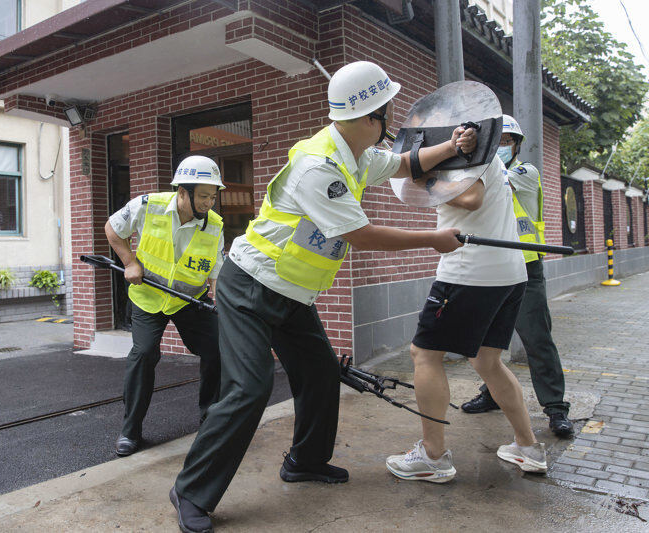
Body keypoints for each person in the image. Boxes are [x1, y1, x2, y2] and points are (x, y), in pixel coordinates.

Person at [170, 61, 471, 533]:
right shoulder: (319, 167)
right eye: (385, 113)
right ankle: (191, 491)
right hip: (249, 286)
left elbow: (407, 164)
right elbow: (361, 234)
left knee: (320, 373)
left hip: (291, 294)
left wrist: (451, 147)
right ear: (372, 117)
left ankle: (304, 462)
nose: (387, 122)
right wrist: (431, 240)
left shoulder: (356, 154)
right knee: (249, 389)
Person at [386, 119, 548, 483]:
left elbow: (471, 199)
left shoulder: (473, 158)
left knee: (424, 354)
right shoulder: (492, 158)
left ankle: (432, 456)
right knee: (487, 360)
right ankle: (527, 446)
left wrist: (427, 182)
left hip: (470, 273)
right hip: (510, 273)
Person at [460, 115, 574, 438]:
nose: (500, 149)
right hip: (493, 267)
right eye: (495, 143)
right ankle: (492, 393)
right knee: (486, 340)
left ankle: (555, 409)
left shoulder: (524, 173)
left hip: (525, 268)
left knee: (537, 339)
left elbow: (491, 184)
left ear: (517, 146)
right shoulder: (486, 176)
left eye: (506, 143)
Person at [105, 155, 225, 457]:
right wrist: (130, 262)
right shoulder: (148, 205)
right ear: (182, 192)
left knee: (217, 349)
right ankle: (130, 430)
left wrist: (218, 297)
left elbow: (215, 269)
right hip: (149, 296)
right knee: (144, 353)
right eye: (203, 196)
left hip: (190, 299)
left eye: (213, 196)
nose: (209, 202)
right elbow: (112, 228)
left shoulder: (215, 225)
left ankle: (210, 418)